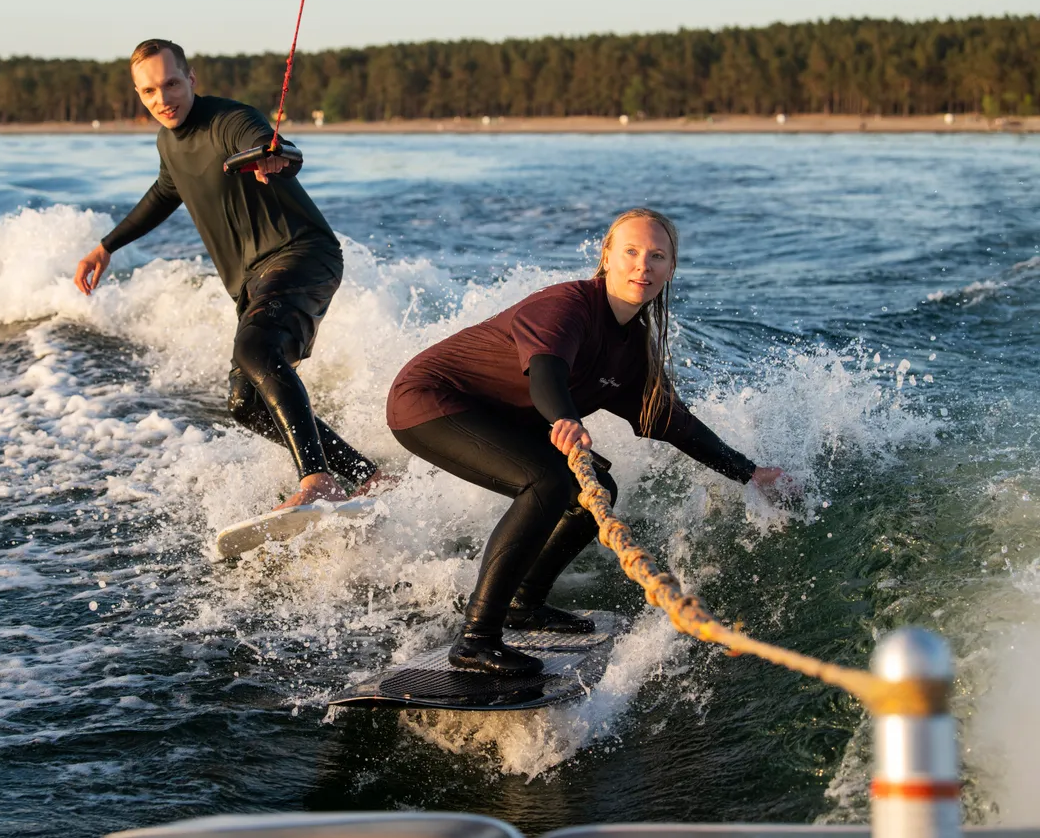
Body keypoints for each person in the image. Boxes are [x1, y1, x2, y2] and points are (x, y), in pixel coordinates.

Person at [386, 208, 787, 676]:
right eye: (632, 252)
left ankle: (524, 602)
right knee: (548, 481)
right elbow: (546, 372)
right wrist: (564, 417)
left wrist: (750, 473)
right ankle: (476, 637)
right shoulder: (566, 305)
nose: (644, 265)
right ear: (607, 257)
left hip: (501, 415)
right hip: (431, 400)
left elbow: (670, 422)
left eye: (657, 256)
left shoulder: (633, 345)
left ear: (671, 269)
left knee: (596, 490)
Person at [75, 39, 382, 509]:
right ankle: (368, 476)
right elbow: (163, 193)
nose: (163, 99)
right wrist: (106, 246)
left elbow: (272, 146)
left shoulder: (229, 120)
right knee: (245, 404)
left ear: (191, 78)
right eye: (149, 91)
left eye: (172, 84)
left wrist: (273, 156)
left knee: (257, 347)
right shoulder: (167, 141)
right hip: (254, 279)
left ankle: (316, 479)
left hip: (301, 254)